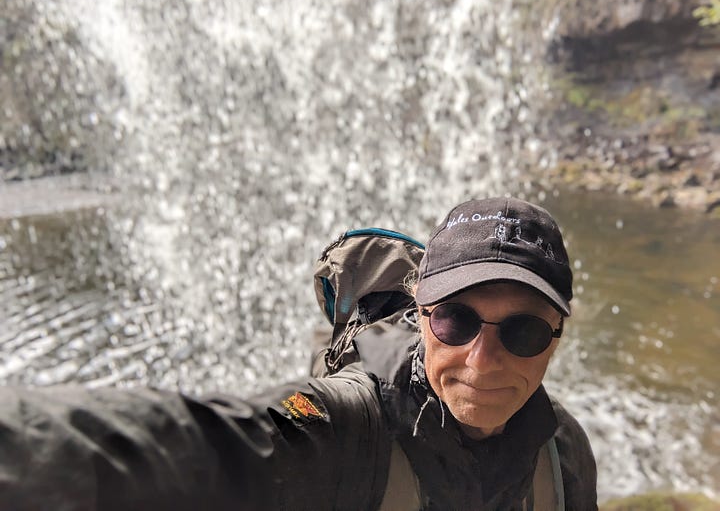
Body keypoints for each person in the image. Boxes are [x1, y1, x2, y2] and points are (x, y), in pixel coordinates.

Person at [0, 197, 597, 511]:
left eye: (521, 333)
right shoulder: (344, 427)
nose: (482, 359)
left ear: (556, 339)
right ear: (420, 317)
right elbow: (206, 442)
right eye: (455, 320)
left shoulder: (565, 450)